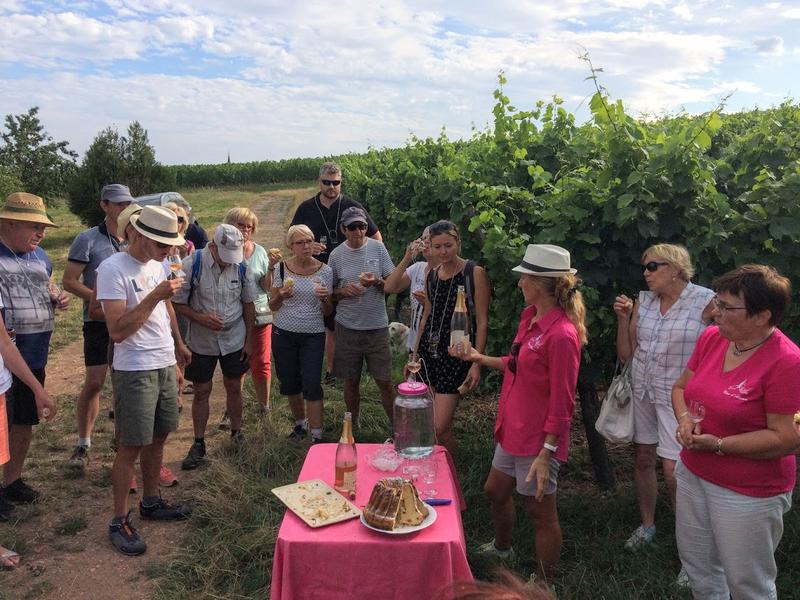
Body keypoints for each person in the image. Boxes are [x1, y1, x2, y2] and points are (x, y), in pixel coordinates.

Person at [451, 244, 586, 587]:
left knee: (541, 512)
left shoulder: (562, 335)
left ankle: (544, 583)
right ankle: (503, 547)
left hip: (538, 440)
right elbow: (516, 364)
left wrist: (548, 451)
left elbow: (563, 400)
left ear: (540, 283)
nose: (519, 283)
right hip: (513, 428)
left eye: (524, 277)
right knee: (495, 491)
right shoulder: (531, 318)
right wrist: (480, 359)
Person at [672, 264, 800, 599]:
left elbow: (787, 438)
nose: (715, 312)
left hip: (747, 490)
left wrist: (718, 444)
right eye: (717, 302)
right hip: (694, 473)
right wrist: (685, 420)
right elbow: (681, 387)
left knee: (747, 583)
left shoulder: (786, 361)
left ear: (762, 316)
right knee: (699, 569)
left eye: (727, 307)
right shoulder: (713, 338)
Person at [95, 205, 192, 555]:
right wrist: (156, 295)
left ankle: (151, 501)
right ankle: (118, 519)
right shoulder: (112, 270)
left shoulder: (159, 263)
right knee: (130, 445)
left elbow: (166, 311)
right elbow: (117, 331)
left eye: (172, 243)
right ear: (140, 235)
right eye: (163, 243)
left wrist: (178, 347)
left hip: (164, 361)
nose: (170, 250)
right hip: (134, 368)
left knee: (160, 435)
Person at [612, 243, 715, 567]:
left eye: (653, 266)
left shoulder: (705, 300)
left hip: (680, 397)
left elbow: (721, 347)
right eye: (645, 266)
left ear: (675, 269)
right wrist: (624, 318)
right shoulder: (643, 302)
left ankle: (694, 547)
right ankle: (647, 525)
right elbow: (627, 354)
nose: (646, 273)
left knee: (675, 470)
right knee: (643, 458)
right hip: (643, 390)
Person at [0, 192, 69, 506]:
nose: (41, 233)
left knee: (24, 421)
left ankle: (12, 481)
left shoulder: (41, 257)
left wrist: (57, 297)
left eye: (44, 227)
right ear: (10, 222)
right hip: (6, 358)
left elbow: (48, 287)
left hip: (35, 351)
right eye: (34, 226)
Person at [62, 183, 134, 473]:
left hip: (127, 321)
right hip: (97, 321)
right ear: (104, 205)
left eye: (127, 203)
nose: (123, 208)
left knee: (125, 382)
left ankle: (123, 442)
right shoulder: (87, 239)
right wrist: (100, 297)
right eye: (118, 203)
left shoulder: (134, 238)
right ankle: (83, 441)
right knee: (94, 382)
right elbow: (69, 280)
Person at [173, 224, 256, 470]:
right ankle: (198, 443)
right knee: (202, 390)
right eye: (224, 255)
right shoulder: (192, 265)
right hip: (202, 339)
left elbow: (249, 304)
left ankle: (237, 434)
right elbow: (176, 303)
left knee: (234, 386)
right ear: (212, 246)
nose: (229, 260)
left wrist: (250, 340)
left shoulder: (241, 266)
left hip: (234, 337)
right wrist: (200, 318)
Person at [290, 161, 382, 382]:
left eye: (336, 183)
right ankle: (331, 371)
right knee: (326, 321)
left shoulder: (352, 207)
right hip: (316, 271)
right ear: (319, 182)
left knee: (346, 321)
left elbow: (377, 238)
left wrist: (367, 264)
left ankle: (355, 370)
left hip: (348, 269)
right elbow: (291, 239)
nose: (331, 187)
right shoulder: (306, 208)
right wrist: (308, 248)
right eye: (327, 182)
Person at [413, 220, 489, 453]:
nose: (443, 252)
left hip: (455, 355)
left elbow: (482, 320)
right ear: (430, 247)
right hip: (429, 352)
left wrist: (476, 362)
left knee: (440, 427)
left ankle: (452, 474)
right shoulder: (432, 275)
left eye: (448, 245)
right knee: (428, 425)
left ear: (458, 243)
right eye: (437, 247)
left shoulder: (473, 272)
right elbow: (426, 315)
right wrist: (415, 353)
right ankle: (437, 472)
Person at [328, 207, 394, 426]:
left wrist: (376, 282)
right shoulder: (336, 255)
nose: (358, 232)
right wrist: (343, 292)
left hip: (376, 326)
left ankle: (398, 428)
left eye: (362, 226)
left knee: (384, 381)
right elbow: (329, 293)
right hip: (348, 327)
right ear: (343, 229)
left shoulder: (378, 248)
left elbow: (391, 285)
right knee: (351, 381)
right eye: (352, 227)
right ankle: (352, 426)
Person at [269, 225, 333, 443]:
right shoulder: (280, 269)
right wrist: (282, 296)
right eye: (300, 242)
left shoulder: (325, 271)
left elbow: (328, 311)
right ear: (291, 246)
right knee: (290, 381)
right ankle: (299, 425)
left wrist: (325, 299)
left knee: (312, 383)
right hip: (283, 333)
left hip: (313, 334)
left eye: (309, 241)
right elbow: (273, 305)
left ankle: (317, 434)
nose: (306, 246)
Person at [224, 207, 278, 415]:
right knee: (236, 362)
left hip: (259, 312)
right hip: (233, 314)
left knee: (262, 361)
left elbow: (266, 287)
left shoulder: (260, 251)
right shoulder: (224, 251)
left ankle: (264, 407)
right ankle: (232, 409)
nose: (246, 230)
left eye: (249, 226)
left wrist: (271, 267)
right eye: (241, 225)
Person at [383, 226, 440, 355]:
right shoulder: (418, 268)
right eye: (424, 238)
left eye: (430, 239)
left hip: (437, 342)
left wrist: (428, 303)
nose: (425, 242)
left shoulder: (447, 273)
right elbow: (390, 287)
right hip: (415, 343)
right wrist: (407, 258)